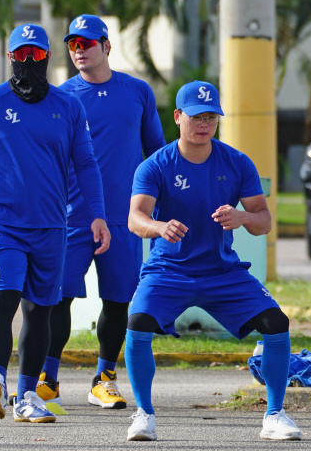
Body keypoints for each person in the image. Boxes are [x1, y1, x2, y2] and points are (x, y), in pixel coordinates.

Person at [0, 23, 110, 424]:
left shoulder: (68, 106)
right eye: (21, 55)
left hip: (53, 228)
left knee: (40, 311)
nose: (28, 61)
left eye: (35, 55)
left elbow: (86, 164)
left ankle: (26, 397)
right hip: (4, 226)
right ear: (10, 58)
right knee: (2, 300)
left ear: (47, 58)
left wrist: (98, 214)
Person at [123, 81, 301, 441]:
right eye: (195, 116)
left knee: (276, 323)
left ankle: (275, 415)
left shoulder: (236, 162)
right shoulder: (156, 165)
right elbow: (134, 218)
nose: (203, 124)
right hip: (169, 270)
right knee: (138, 323)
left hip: (222, 272)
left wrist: (243, 218)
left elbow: (263, 220)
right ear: (177, 117)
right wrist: (158, 226)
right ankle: (144, 415)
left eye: (211, 117)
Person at [27, 14, 165, 410]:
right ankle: (47, 378)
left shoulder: (137, 92)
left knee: (118, 301)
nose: (79, 50)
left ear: (106, 46)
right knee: (59, 300)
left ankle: (104, 378)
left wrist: (165, 203)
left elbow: (156, 152)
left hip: (124, 219)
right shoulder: (61, 97)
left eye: (86, 43)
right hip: (71, 218)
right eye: (72, 44)